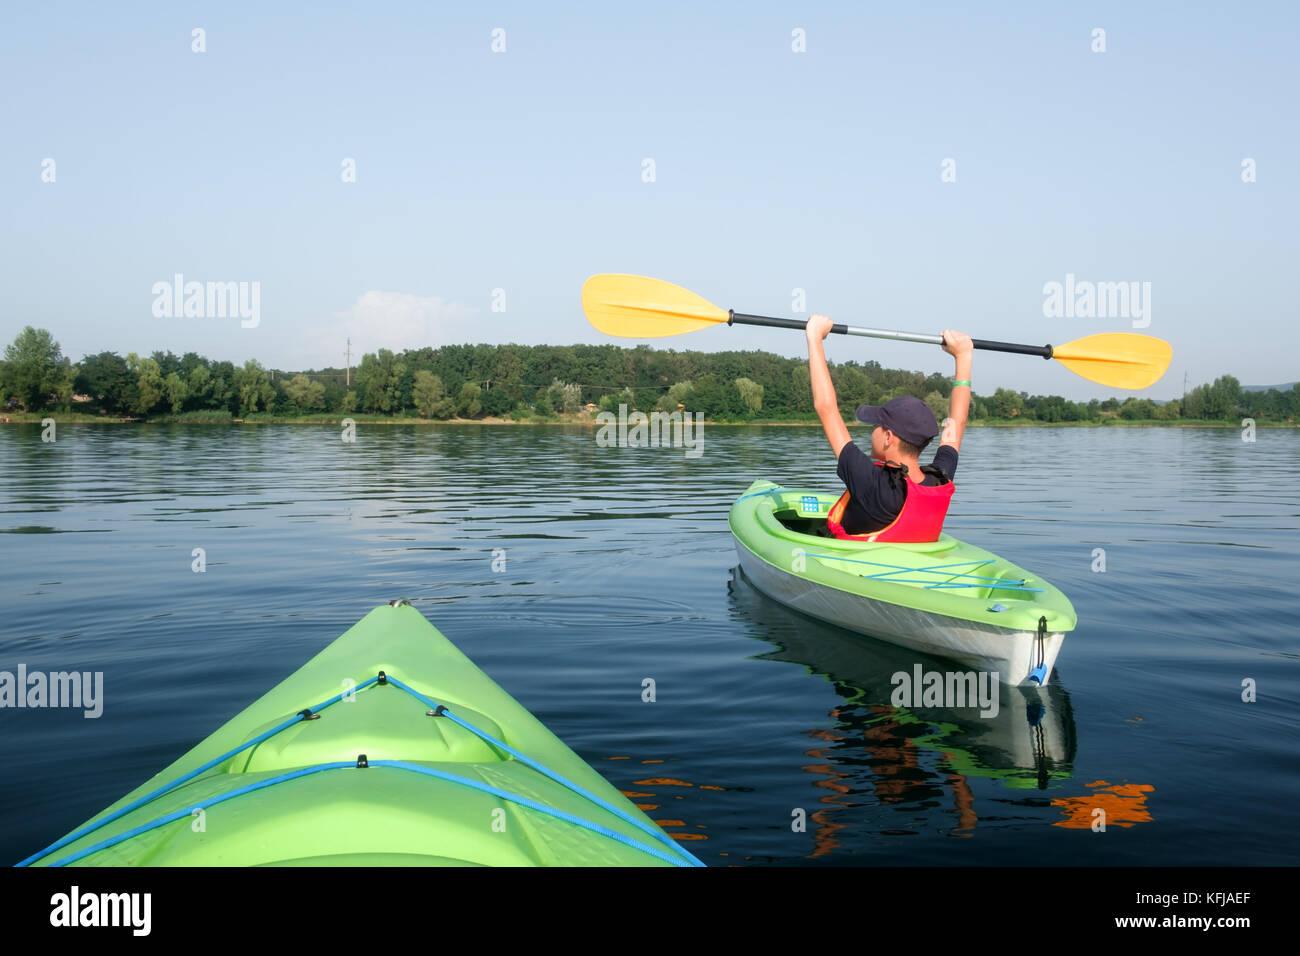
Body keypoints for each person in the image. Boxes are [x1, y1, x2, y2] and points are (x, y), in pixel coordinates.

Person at [805, 314, 973, 541]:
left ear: (888, 437)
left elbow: (826, 408)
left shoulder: (869, 481)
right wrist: (964, 356)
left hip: (860, 569)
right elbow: (957, 421)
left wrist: (814, 337)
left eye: (876, 425)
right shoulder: (940, 480)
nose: (871, 429)